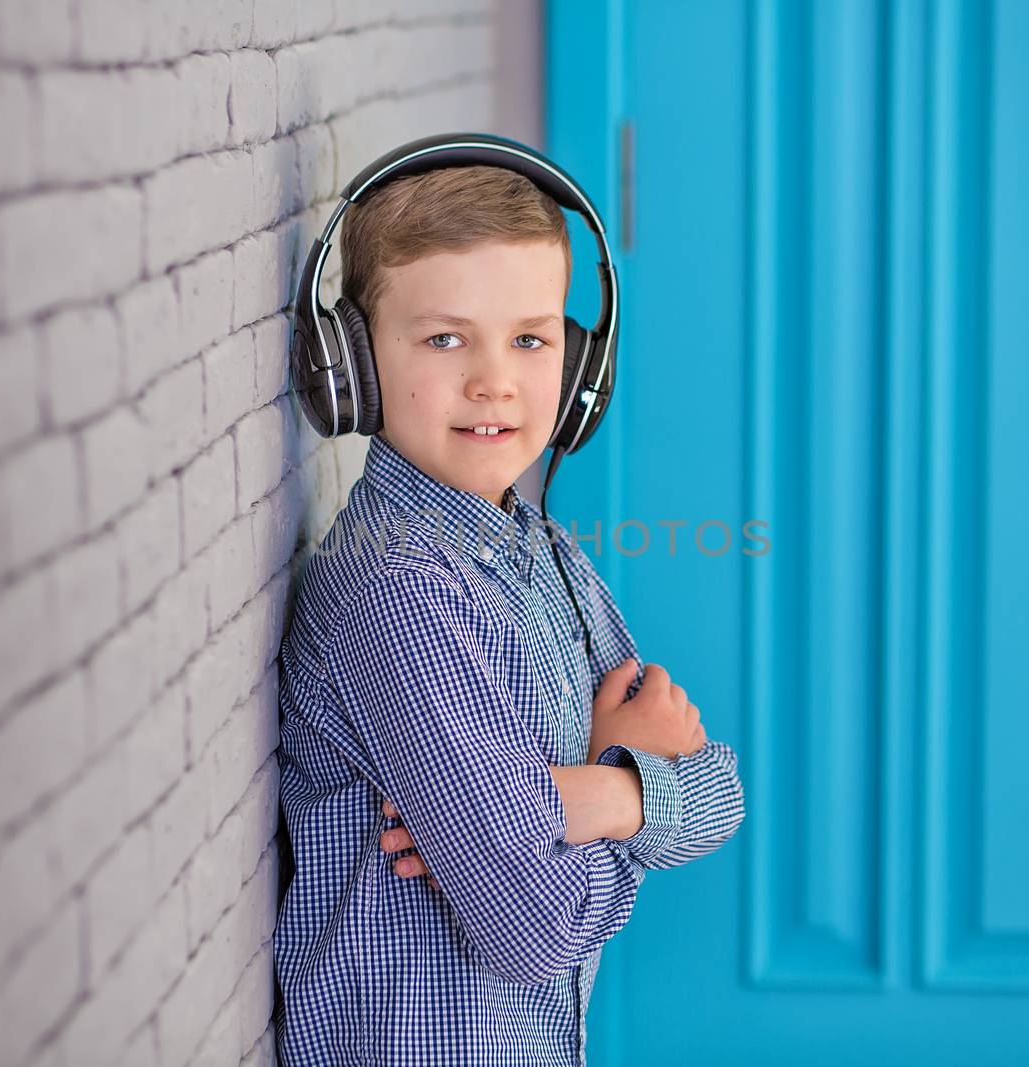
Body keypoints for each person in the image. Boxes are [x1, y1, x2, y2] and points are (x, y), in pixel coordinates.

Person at [273, 143, 745, 1066]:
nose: (495, 380)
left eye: (530, 339)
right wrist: (633, 789)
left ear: (577, 369)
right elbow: (536, 922)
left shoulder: (543, 552)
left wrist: (589, 795)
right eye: (445, 338)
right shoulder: (398, 594)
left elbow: (721, 793)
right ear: (352, 367)